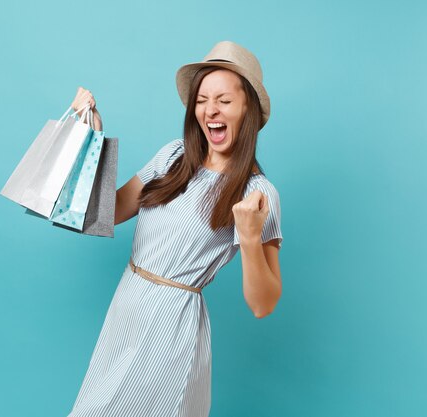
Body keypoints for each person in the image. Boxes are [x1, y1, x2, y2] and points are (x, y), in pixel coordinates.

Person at [66, 40, 283, 417]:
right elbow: (110, 211)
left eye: (224, 101)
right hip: (126, 309)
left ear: (248, 108)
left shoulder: (257, 193)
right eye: (201, 100)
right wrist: (91, 138)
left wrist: (248, 236)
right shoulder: (173, 155)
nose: (210, 110)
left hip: (172, 326)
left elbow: (263, 304)